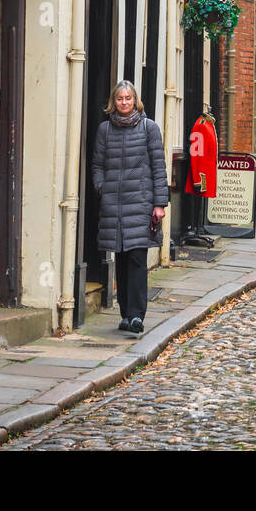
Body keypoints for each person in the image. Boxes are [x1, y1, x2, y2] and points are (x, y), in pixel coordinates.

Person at [91, 80, 168, 335]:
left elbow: (159, 167)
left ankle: (137, 315)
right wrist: (102, 187)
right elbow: (97, 164)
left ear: (135, 101)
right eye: (120, 99)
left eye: (128, 98)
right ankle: (125, 314)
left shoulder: (149, 128)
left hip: (140, 203)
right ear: (114, 102)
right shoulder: (105, 130)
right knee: (121, 258)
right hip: (114, 204)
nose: (125, 103)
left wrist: (159, 203)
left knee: (136, 258)